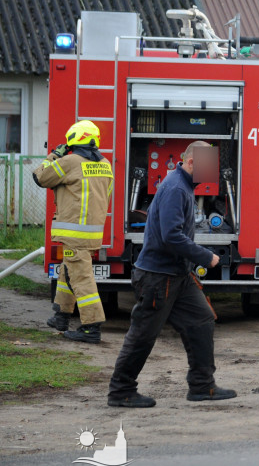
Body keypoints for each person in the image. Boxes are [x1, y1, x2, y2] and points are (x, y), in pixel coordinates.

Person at [107, 141, 236, 408]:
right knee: (143, 334)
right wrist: (205, 256)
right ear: (191, 162)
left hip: (177, 274)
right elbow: (171, 237)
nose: (213, 173)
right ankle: (121, 391)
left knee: (201, 321)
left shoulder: (184, 186)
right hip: (157, 277)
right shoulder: (176, 188)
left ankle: (202, 386)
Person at [33, 120, 113, 343]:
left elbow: (40, 177)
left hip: (74, 233)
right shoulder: (105, 163)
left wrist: (53, 156)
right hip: (92, 233)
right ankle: (61, 315)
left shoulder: (69, 161)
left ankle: (91, 328)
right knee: (66, 273)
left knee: (82, 279)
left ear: (72, 140)